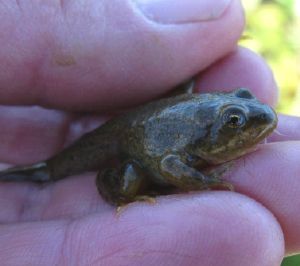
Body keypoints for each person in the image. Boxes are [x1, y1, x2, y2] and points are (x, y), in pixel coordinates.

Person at [0, 0, 299, 265]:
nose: (262, 114)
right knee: (128, 180)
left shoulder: (203, 132)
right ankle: (61, 177)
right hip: (135, 141)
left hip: (148, 125)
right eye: (235, 120)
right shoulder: (196, 141)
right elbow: (169, 163)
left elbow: (171, 158)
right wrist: (204, 181)